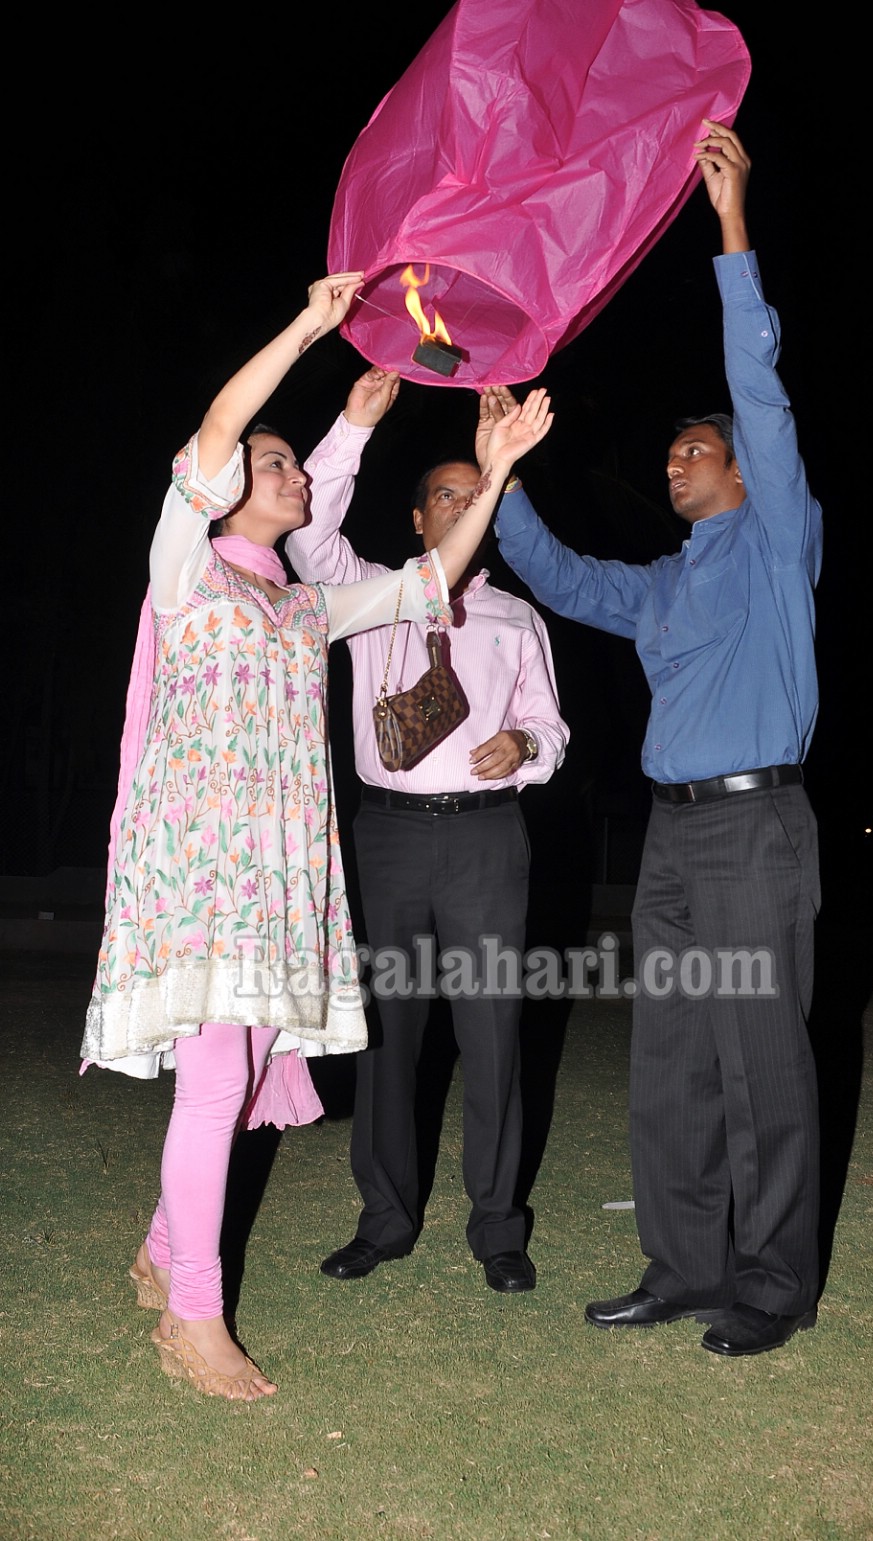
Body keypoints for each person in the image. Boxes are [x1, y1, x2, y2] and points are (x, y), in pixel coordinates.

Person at [81, 273, 553, 1400]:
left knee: (239, 1070)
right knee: (212, 1082)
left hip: (279, 874)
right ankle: (193, 1309)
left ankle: (160, 1245)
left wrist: (495, 475)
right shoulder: (188, 567)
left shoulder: (301, 604)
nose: (298, 477)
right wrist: (306, 324)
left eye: (298, 464)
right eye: (282, 464)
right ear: (235, 484)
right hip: (200, 864)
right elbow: (218, 429)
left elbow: (432, 579)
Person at [493, 121, 823, 1356]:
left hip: (756, 826)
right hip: (677, 845)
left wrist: (732, 233)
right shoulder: (668, 583)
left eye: (696, 452)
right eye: (674, 451)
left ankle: (771, 1284)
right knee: (674, 1061)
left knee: (762, 1064)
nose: (677, 462)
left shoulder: (779, 542)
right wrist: (506, 483)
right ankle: (682, 1267)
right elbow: (570, 582)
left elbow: (762, 398)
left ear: (740, 473)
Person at [286, 373, 569, 1295]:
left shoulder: (514, 617)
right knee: (388, 1035)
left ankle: (497, 1228)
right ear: (416, 521)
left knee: (492, 1034)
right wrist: (353, 425)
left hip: (488, 841)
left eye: (469, 490)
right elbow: (306, 537)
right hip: (392, 841)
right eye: (443, 495)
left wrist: (524, 743)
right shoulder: (369, 592)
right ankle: (384, 1219)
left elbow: (552, 728)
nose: (457, 504)